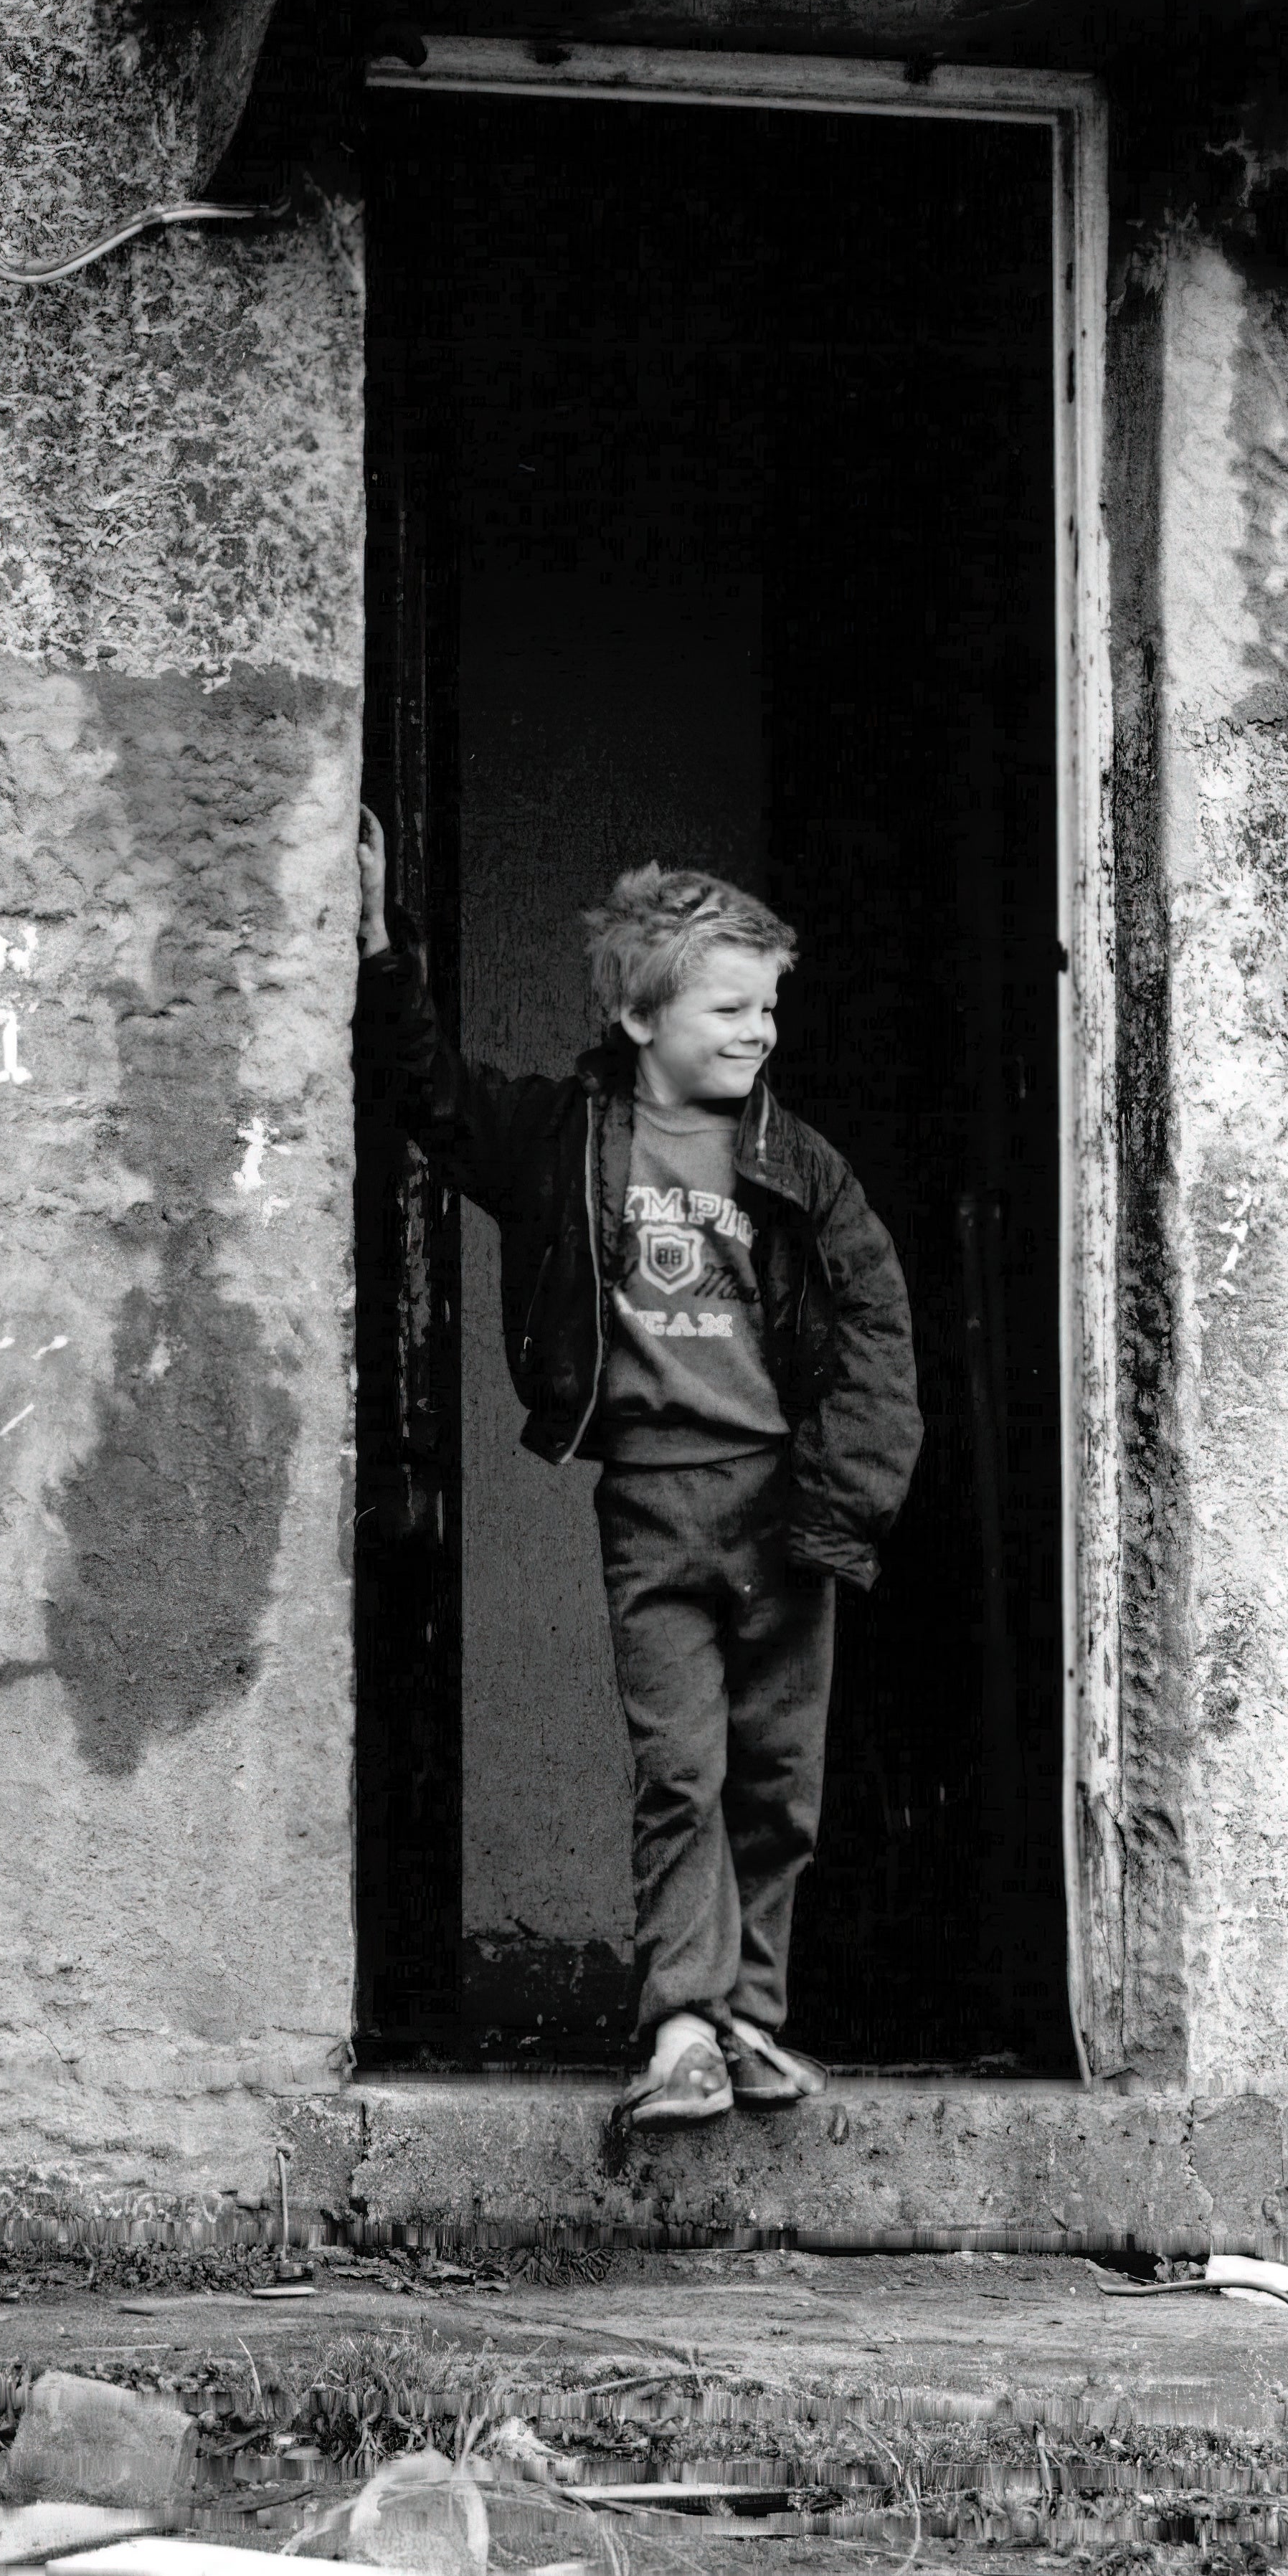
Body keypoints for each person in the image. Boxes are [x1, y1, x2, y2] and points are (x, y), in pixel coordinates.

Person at [356, 811, 920, 2128]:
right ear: (638, 1016)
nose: (758, 1032)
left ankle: (750, 2023)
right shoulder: (564, 1142)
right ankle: (680, 2022)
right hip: (652, 1506)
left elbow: (877, 1333)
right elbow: (429, 1095)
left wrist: (843, 1508)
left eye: (766, 1010)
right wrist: (379, 946)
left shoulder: (799, 1166)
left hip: (787, 1508)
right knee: (683, 1771)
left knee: (781, 1783)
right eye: (728, 1007)